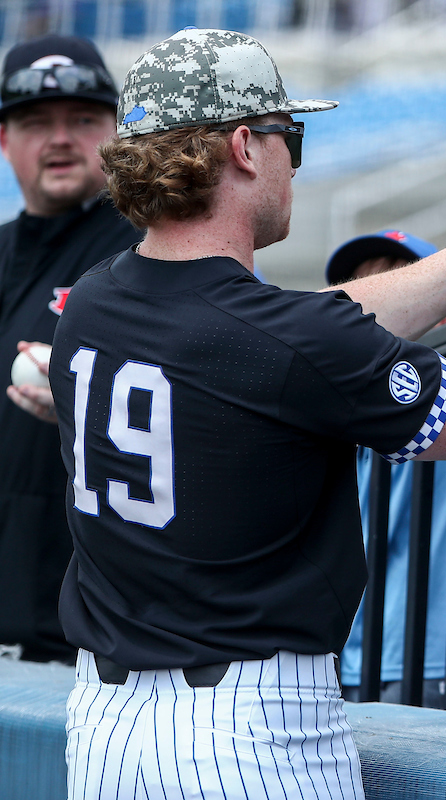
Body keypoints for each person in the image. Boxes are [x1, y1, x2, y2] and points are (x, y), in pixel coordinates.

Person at [51, 28, 446, 799]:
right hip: (241, 734)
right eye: (288, 137)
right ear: (242, 146)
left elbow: (308, 325)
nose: (294, 162)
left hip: (103, 729)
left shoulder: (96, 296)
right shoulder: (280, 339)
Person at [327, 222, 446, 708]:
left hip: (411, 653)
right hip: (326, 651)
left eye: (401, 287)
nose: (380, 315)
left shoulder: (432, 387)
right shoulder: (331, 392)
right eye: (369, 292)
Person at [0, 34, 141, 664]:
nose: (59, 138)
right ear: (5, 140)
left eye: (82, 120)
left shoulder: (149, 254)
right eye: (35, 122)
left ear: (117, 134)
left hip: (88, 643)